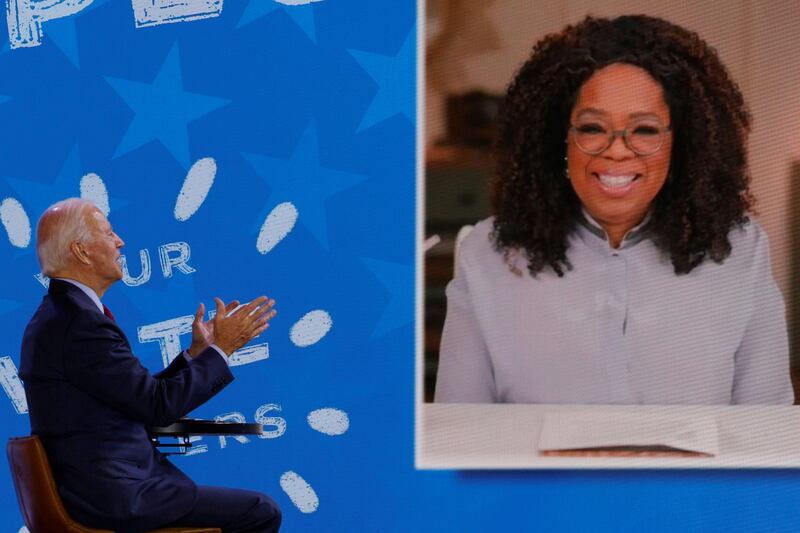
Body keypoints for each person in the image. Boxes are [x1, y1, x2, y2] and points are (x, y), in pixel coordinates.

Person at [434, 15, 794, 405]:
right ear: (560, 139)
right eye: (592, 128)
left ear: (683, 144)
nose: (618, 149)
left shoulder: (741, 249)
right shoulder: (487, 254)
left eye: (645, 130)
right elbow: (458, 427)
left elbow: (765, 426)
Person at [19, 198, 282, 532]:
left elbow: (136, 398)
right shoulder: (79, 324)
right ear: (81, 251)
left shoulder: (64, 316)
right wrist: (223, 348)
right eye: (109, 233)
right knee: (261, 510)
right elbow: (158, 407)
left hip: (102, 488)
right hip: (118, 495)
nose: (120, 242)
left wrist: (197, 353)